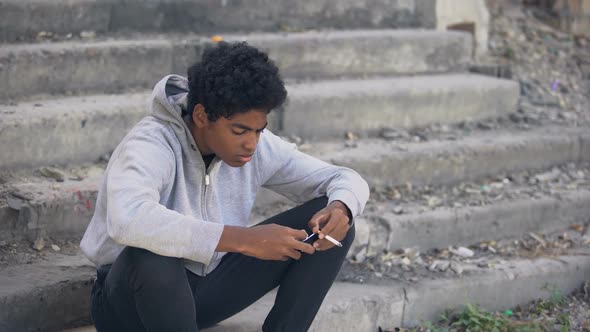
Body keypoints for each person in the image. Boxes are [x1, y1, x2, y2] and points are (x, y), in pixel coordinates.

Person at [80, 41, 370, 332]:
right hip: (130, 303)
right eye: (240, 130)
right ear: (202, 117)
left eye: (259, 130)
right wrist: (244, 239)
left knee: (336, 222)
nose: (252, 143)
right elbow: (128, 219)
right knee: (153, 255)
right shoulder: (151, 143)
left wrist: (340, 205)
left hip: (204, 293)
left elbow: (343, 178)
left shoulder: (256, 146)